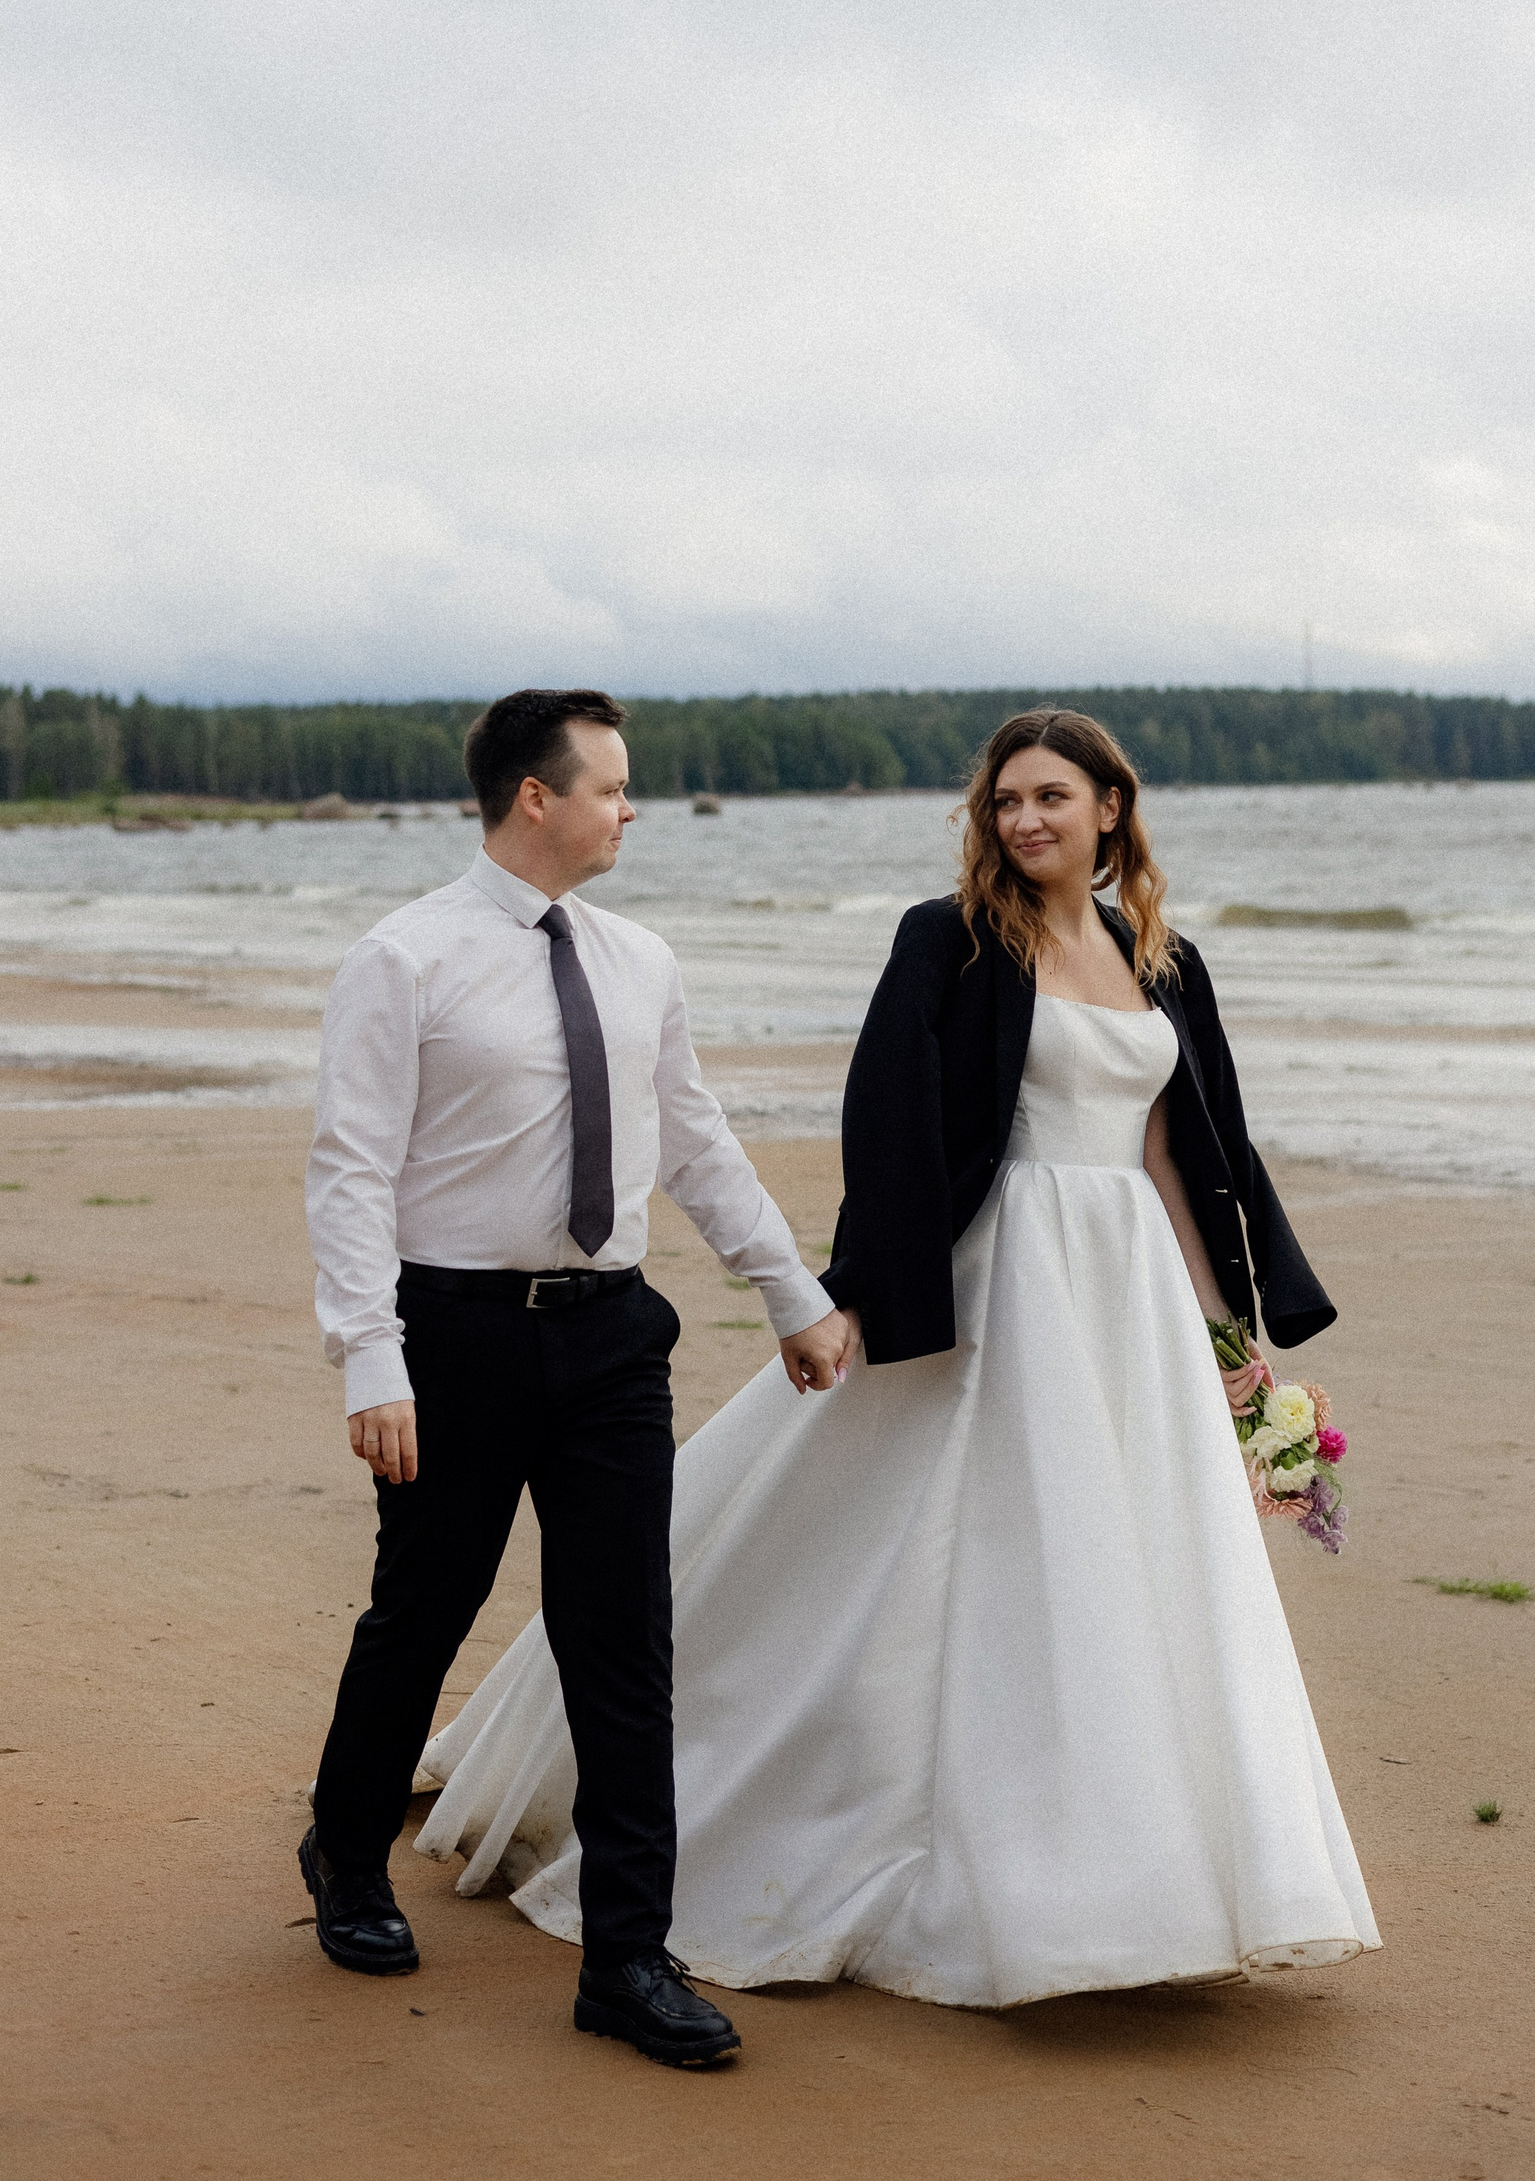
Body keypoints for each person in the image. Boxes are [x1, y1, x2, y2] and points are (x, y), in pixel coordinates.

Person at [416, 708, 1379, 2003]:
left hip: (1129, 1292)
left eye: (1051, 797)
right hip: (994, 1274)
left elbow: (1181, 1153)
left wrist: (1228, 1340)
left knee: (1129, 1559)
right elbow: (887, 1116)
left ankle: (1138, 1876)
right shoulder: (952, 940)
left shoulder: (1163, 958)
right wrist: (861, 1289)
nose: (1024, 820)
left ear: (1110, 808)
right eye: (1005, 801)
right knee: (940, 1547)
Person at [300, 688, 851, 2069]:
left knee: (624, 1640)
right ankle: (347, 1855)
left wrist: (790, 1291)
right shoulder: (403, 957)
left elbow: (693, 1137)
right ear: (534, 797)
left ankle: (626, 1959)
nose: (629, 809)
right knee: (423, 1609)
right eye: (609, 786)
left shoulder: (639, 959)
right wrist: (372, 1358)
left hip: (610, 1337)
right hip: (453, 1336)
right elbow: (352, 1170)